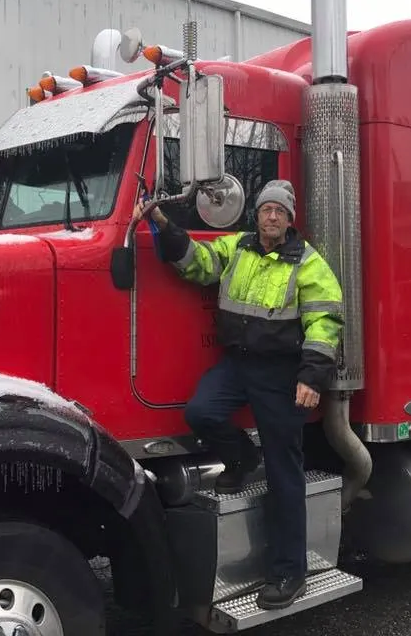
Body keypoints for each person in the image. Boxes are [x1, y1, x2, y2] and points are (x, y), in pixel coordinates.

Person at [133, 179, 346, 611]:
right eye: (266, 209)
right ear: (258, 215)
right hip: (239, 365)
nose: (272, 217)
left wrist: (311, 377)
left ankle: (289, 573)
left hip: (283, 374)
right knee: (201, 412)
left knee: (285, 475)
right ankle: (242, 459)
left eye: (280, 212)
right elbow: (196, 263)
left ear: (289, 220)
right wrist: (160, 221)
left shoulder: (309, 264)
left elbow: (325, 325)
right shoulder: (237, 248)